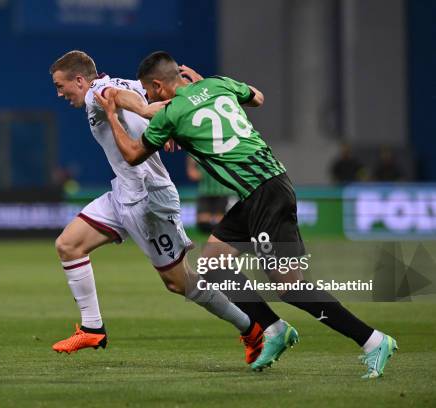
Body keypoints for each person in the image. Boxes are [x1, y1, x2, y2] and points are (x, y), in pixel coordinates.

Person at [95, 51, 397, 378]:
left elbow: (133, 155)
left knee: (290, 287)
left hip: (265, 193)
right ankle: (273, 328)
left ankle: (372, 340)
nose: (149, 99)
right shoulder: (219, 84)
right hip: (260, 190)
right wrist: (201, 86)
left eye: (149, 92)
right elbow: (258, 98)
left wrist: (112, 115)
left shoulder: (172, 112)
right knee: (213, 262)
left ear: (158, 86)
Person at [49, 50, 264, 363]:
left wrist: (151, 112)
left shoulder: (100, 92)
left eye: (60, 85)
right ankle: (92, 327)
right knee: (68, 245)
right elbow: (140, 97)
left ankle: (251, 328)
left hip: (149, 200)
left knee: (181, 283)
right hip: (124, 192)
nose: (59, 93)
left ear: (79, 80)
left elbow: (129, 102)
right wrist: (163, 124)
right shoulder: (130, 82)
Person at [186, 155, 237, 234]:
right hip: (205, 190)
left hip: (223, 190)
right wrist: (191, 168)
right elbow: (191, 153)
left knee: (221, 225)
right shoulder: (201, 143)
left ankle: (219, 240)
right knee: (203, 225)